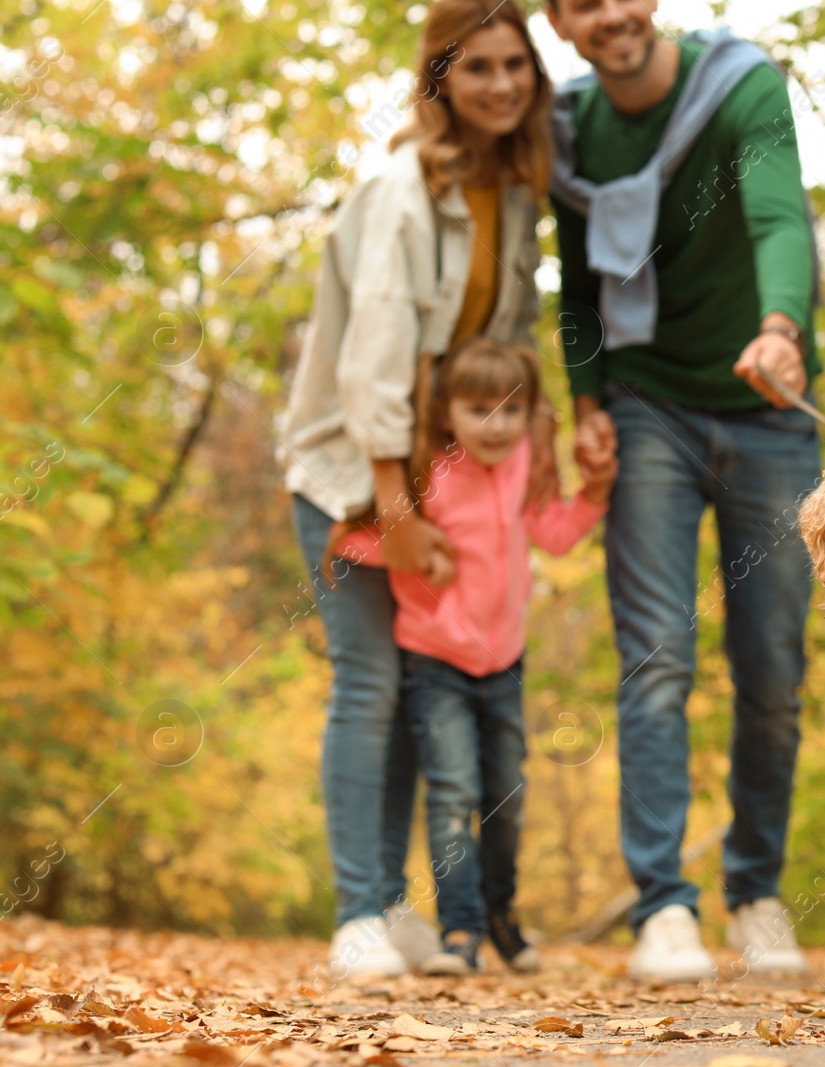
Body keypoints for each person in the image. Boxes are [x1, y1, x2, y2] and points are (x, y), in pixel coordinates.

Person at [279, 0, 561, 979]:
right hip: (352, 471)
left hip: (435, 478)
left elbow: (506, 349)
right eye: (474, 66)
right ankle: (357, 910)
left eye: (513, 64)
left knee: (411, 692)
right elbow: (375, 362)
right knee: (368, 682)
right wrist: (395, 507)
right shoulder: (403, 190)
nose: (498, 84)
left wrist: (551, 442)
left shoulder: (513, 194)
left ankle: (395, 907)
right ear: (440, 77)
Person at [544, 0, 823, 980]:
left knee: (773, 669)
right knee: (655, 655)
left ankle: (755, 890)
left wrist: (783, 324)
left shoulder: (739, 82)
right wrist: (584, 400)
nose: (609, 15)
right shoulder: (567, 128)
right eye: (582, 3)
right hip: (648, 401)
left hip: (768, 398)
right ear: (558, 21)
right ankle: (663, 905)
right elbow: (575, 284)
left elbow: (781, 211)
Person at [330, 337, 617, 975]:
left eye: (511, 411)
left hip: (504, 664)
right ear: (447, 413)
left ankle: (500, 914)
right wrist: (414, 550)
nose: (496, 425)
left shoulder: (524, 470)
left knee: (506, 796)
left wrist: (594, 492)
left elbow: (558, 536)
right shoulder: (424, 473)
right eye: (479, 409)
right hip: (434, 665)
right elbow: (357, 539)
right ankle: (459, 932)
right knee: (453, 794)